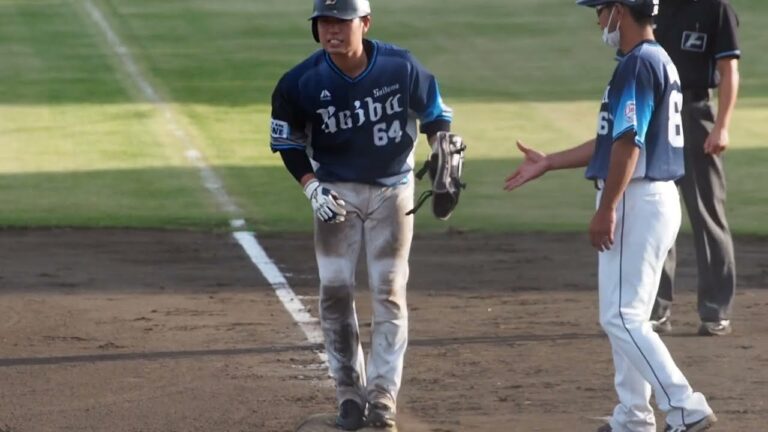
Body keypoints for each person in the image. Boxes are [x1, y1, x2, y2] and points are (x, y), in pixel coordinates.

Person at [504, 0, 716, 430]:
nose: (598, 21)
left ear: (620, 10)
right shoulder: (655, 60)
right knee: (626, 312)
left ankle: (685, 407)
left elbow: (627, 143)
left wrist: (607, 208)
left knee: (622, 316)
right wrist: (550, 162)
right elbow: (610, 139)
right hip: (649, 197)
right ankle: (634, 418)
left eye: (600, 11)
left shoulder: (638, 64)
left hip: (637, 198)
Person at [269, 0, 453, 429]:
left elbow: (435, 113)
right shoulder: (300, 82)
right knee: (334, 292)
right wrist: (311, 186)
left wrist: (440, 144)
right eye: (324, 23)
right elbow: (288, 143)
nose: (332, 31)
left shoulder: (400, 67)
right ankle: (349, 393)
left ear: (365, 24)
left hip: (393, 192)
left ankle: (383, 396)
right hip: (335, 194)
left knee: (389, 289)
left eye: (342, 22)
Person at [649, 0, 741, 337]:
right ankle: (655, 309)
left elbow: (729, 70)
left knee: (707, 213)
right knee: (656, 212)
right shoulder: (652, 6)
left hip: (696, 113)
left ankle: (716, 310)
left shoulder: (716, 9)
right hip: (654, 112)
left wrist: (722, 126)